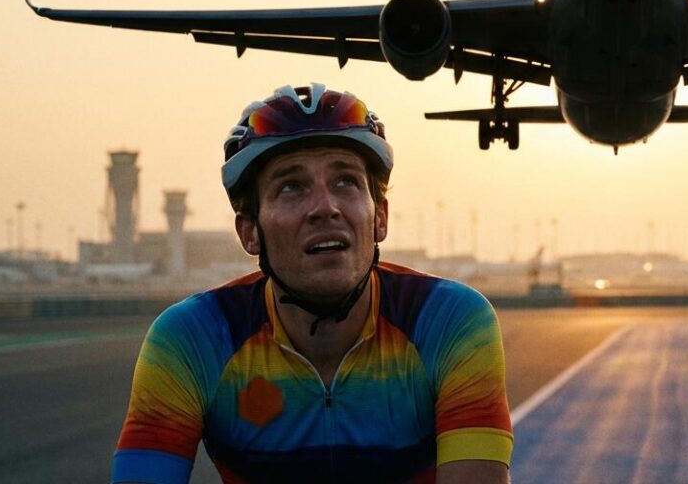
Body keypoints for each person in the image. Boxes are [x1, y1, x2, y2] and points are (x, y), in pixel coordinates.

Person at [111, 84, 512, 484]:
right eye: (291, 187)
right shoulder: (191, 339)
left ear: (380, 217)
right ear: (249, 231)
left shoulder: (447, 320)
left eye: (346, 182)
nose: (325, 208)